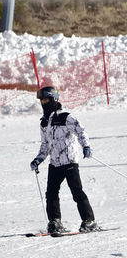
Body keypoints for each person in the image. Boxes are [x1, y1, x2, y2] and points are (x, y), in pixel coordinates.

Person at [30, 86, 99, 234]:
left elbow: (81, 131)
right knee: (51, 194)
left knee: (77, 192)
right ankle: (55, 222)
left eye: (46, 100)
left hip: (69, 162)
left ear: (54, 100)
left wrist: (86, 146)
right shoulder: (44, 123)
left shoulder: (66, 117)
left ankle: (89, 220)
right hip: (55, 164)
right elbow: (45, 145)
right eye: (41, 101)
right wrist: (38, 159)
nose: (43, 103)